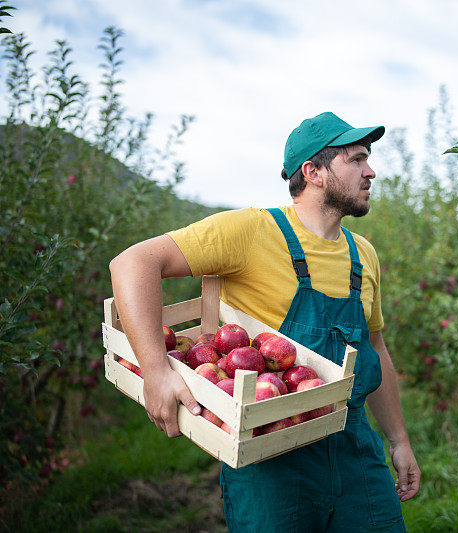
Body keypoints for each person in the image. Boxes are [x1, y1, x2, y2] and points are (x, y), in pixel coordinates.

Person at [109, 111, 420, 532]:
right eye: (356, 159)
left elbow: (375, 349)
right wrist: (156, 371)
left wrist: (398, 441)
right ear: (313, 172)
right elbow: (133, 263)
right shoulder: (253, 231)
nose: (371, 171)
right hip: (269, 453)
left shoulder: (362, 254)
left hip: (354, 450)